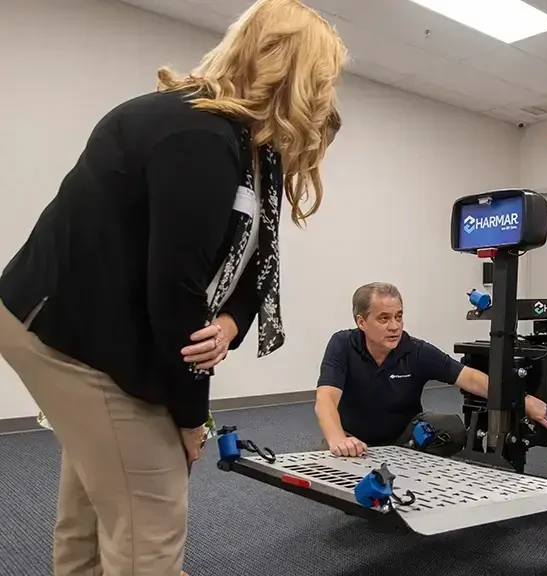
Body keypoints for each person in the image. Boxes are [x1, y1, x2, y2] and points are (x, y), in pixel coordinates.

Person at [0, 1, 348, 574]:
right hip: (70, 332)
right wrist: (191, 419)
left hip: (103, 328)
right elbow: (175, 292)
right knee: (150, 521)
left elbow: (258, 264)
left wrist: (232, 322)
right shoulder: (200, 137)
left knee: (95, 500)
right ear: (297, 77)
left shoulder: (245, 147)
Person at [315, 282, 547, 458]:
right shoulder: (342, 345)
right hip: (354, 439)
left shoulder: (416, 350)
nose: (394, 326)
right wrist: (338, 439)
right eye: (384, 319)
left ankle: (407, 462)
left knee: (452, 428)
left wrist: (520, 400)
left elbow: (468, 377)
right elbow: (325, 399)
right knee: (329, 472)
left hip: (404, 439)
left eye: (398, 317)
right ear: (361, 322)